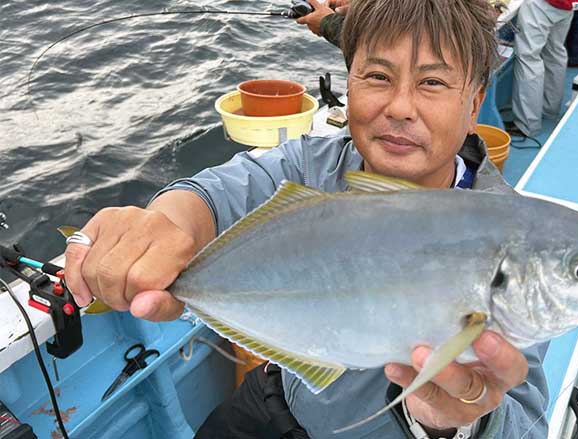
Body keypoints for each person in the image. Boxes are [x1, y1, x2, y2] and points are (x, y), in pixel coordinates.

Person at [63, 0, 549, 438]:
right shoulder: (312, 167)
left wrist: (451, 425)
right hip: (277, 399)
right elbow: (209, 197)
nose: (400, 107)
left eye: (434, 83)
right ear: (349, 82)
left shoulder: (515, 241)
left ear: (474, 104)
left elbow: (522, 420)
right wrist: (164, 225)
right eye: (377, 76)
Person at [509, 0, 578, 138]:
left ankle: (527, 125)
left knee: (529, 58)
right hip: (569, 5)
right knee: (555, 52)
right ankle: (549, 110)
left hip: (543, 4)